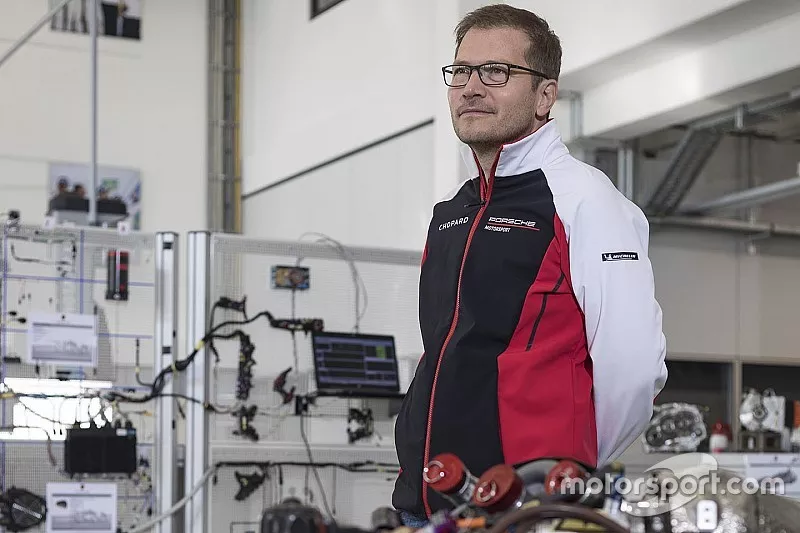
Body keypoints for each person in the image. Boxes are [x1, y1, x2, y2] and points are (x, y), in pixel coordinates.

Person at [392, 4, 668, 526]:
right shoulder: (452, 211)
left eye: (497, 72)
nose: (472, 87)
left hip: (530, 508)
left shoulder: (585, 200)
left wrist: (569, 466)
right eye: (461, 71)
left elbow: (632, 367)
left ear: (545, 95)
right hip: (430, 505)